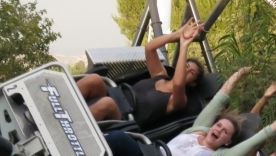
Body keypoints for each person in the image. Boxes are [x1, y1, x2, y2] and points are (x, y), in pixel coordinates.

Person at [103, 67, 276, 156]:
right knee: (118, 137)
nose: (219, 130)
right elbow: (219, 99)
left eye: (225, 132)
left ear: (227, 141)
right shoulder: (199, 129)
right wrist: (238, 75)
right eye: (219, 125)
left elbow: (254, 140)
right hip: (150, 155)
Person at [77, 21, 205, 126]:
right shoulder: (160, 74)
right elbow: (149, 48)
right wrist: (178, 35)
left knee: (106, 103)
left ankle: (72, 127)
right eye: (186, 66)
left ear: (193, 83)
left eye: (191, 72)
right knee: (94, 79)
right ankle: (60, 106)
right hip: (117, 95)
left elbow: (178, 83)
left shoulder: (178, 99)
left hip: (124, 118)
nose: (186, 70)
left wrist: (184, 46)